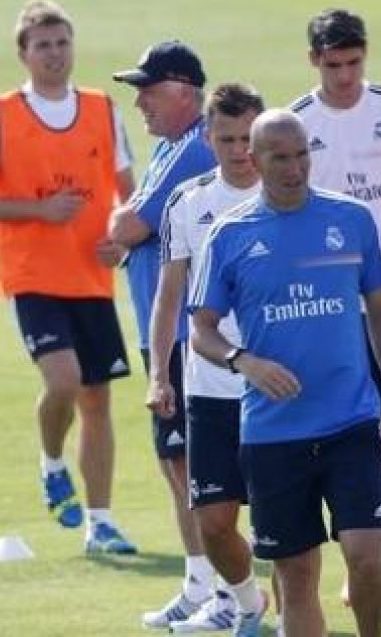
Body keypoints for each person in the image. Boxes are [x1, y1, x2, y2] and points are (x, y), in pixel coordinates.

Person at [189, 110, 381, 637]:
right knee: (297, 573)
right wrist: (244, 361)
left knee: (368, 558)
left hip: (350, 422)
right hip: (273, 434)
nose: (294, 168)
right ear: (255, 159)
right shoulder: (230, 235)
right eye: (280, 157)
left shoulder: (351, 220)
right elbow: (202, 330)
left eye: (302, 155)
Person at [0, 0, 138, 554]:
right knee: (62, 381)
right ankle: (52, 461)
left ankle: (101, 523)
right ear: (23, 54)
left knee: (98, 401)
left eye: (62, 43)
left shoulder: (103, 109)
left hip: (91, 277)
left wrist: (120, 237)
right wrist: (39, 211)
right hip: (33, 276)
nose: (55, 54)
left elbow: (128, 194)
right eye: (43, 45)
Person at [291, 8, 381, 599]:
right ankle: (304, 559)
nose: (345, 76)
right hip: (322, 307)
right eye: (333, 64)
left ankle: (380, 554)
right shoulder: (296, 122)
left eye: (354, 63)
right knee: (314, 429)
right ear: (314, 61)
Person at [144, 83, 269, 634]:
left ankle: (282, 612)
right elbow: (168, 295)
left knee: (277, 522)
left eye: (248, 138)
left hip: (274, 388)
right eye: (227, 139)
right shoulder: (189, 203)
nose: (240, 150)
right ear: (208, 137)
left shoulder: (288, 197)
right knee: (215, 522)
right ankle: (242, 601)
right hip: (209, 388)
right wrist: (158, 374)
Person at [109, 40, 220, 624]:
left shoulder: (192, 146)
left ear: (185, 91)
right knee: (175, 465)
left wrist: (124, 230)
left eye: (149, 91)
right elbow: (124, 225)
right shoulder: (169, 148)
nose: (141, 103)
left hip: (183, 336)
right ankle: (200, 582)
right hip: (165, 334)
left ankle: (228, 592)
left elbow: (126, 226)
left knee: (193, 469)